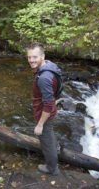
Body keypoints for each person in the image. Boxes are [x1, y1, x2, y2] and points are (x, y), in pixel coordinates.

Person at [26, 42, 60, 175]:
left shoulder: (44, 78)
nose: (31, 60)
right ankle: (55, 146)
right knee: (49, 133)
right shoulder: (49, 65)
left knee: (46, 140)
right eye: (29, 57)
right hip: (49, 111)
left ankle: (52, 169)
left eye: (34, 57)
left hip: (44, 114)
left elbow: (48, 104)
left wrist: (40, 124)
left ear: (42, 56)